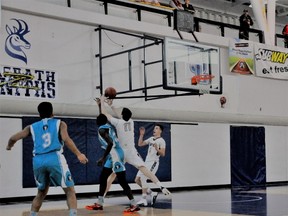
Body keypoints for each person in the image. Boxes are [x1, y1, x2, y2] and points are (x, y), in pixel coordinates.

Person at [6, 102, 88, 216]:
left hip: (38, 161)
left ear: (39, 114)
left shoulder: (31, 127)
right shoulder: (60, 124)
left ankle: (33, 214)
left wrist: (9, 146)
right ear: (52, 112)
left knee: (41, 193)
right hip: (55, 158)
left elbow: (13, 138)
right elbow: (66, 139)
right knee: (70, 190)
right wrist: (79, 154)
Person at [97, 96, 171, 207]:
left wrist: (103, 102)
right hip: (131, 152)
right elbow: (120, 114)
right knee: (144, 169)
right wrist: (111, 105)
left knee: (111, 177)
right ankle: (161, 186)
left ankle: (101, 200)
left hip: (120, 152)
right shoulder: (131, 122)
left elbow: (104, 114)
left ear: (122, 116)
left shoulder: (118, 123)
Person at [85, 112, 140, 212]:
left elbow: (110, 143)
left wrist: (103, 158)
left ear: (99, 121)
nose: (96, 120)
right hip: (113, 155)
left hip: (116, 156)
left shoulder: (102, 130)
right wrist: (99, 105)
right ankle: (100, 203)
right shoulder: (107, 125)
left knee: (122, 181)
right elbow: (102, 117)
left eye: (97, 118)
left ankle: (134, 204)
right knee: (103, 177)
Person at [135, 123, 168, 207]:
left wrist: (157, 149)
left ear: (160, 131)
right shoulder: (151, 139)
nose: (154, 130)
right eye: (154, 128)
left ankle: (144, 199)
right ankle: (152, 193)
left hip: (153, 162)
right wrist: (141, 135)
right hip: (146, 162)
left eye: (156, 128)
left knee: (143, 178)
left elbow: (163, 154)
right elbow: (140, 144)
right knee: (137, 180)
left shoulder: (161, 141)